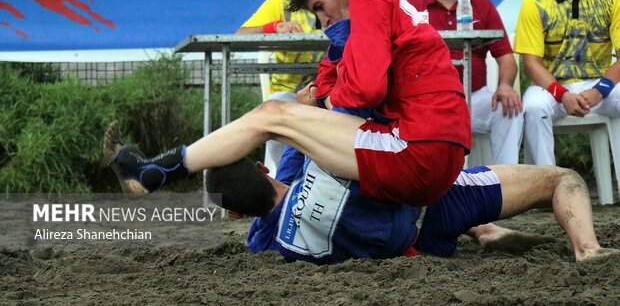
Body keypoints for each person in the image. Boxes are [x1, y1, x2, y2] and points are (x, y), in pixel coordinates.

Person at [104, 0, 471, 209]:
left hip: (419, 149)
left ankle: (157, 170)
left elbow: (364, 89)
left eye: (320, 8)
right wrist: (330, 86)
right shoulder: (375, 3)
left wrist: (328, 91)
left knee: (274, 115)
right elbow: (335, 83)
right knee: (283, 115)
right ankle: (483, 227)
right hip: (434, 150)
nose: (323, 21)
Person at [103, 122, 618, 264]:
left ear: (238, 213)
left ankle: (483, 232)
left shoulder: (265, 241)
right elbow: (296, 131)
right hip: (439, 199)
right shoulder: (305, 162)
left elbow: (261, 217)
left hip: (419, 247)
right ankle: (588, 250)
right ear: (263, 170)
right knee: (561, 179)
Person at [408, 0, 523, 164]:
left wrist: (505, 85)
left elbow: (506, 57)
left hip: (475, 98)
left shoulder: (482, 5)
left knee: (509, 109)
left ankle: (504, 186)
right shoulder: (411, 7)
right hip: (429, 102)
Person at [514, 0, 620, 165]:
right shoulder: (535, 2)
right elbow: (531, 64)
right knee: (532, 108)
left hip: (600, 83)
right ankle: (546, 186)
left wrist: (598, 91)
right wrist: (562, 95)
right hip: (551, 87)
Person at [235, 0, 332, 172]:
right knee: (276, 107)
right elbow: (239, 37)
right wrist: (274, 28)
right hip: (289, 96)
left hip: (331, 92)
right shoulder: (282, 1)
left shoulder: (342, 0)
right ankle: (279, 186)